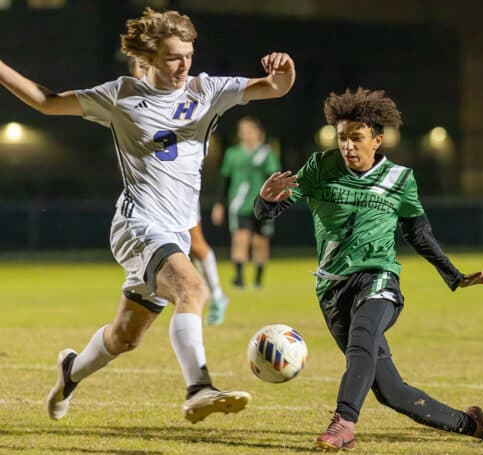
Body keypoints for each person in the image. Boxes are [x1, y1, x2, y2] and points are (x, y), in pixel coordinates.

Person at [0, 7, 295, 423]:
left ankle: (70, 372)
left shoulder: (206, 90)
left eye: (189, 55)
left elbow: (276, 88)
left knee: (124, 337)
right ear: (150, 57)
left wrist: (284, 69)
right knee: (192, 290)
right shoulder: (121, 95)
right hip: (138, 225)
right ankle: (199, 388)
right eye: (174, 56)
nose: (183, 65)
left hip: (171, 233)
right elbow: (46, 103)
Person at [255, 87, 483, 450]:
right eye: (342, 137)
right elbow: (271, 210)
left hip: (379, 278)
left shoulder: (400, 179)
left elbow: (419, 233)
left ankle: (343, 423)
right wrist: (265, 200)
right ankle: (474, 424)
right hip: (332, 289)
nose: (348, 146)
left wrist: (455, 276)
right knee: (390, 391)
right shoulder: (320, 167)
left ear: (377, 140)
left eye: (357, 138)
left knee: (363, 337)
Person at [129, 56, 229, 327]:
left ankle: (216, 295)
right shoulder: (132, 100)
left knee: (195, 243)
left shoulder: (179, 92)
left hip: (177, 189)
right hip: (151, 193)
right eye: (139, 65)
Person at [211, 116, 279, 292]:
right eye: (242, 130)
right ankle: (239, 279)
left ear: (258, 132)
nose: (245, 133)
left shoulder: (266, 153)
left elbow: (274, 178)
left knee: (260, 242)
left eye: (248, 130)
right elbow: (225, 180)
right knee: (241, 239)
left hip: (262, 205)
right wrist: (219, 204)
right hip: (239, 204)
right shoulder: (232, 154)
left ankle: (258, 278)